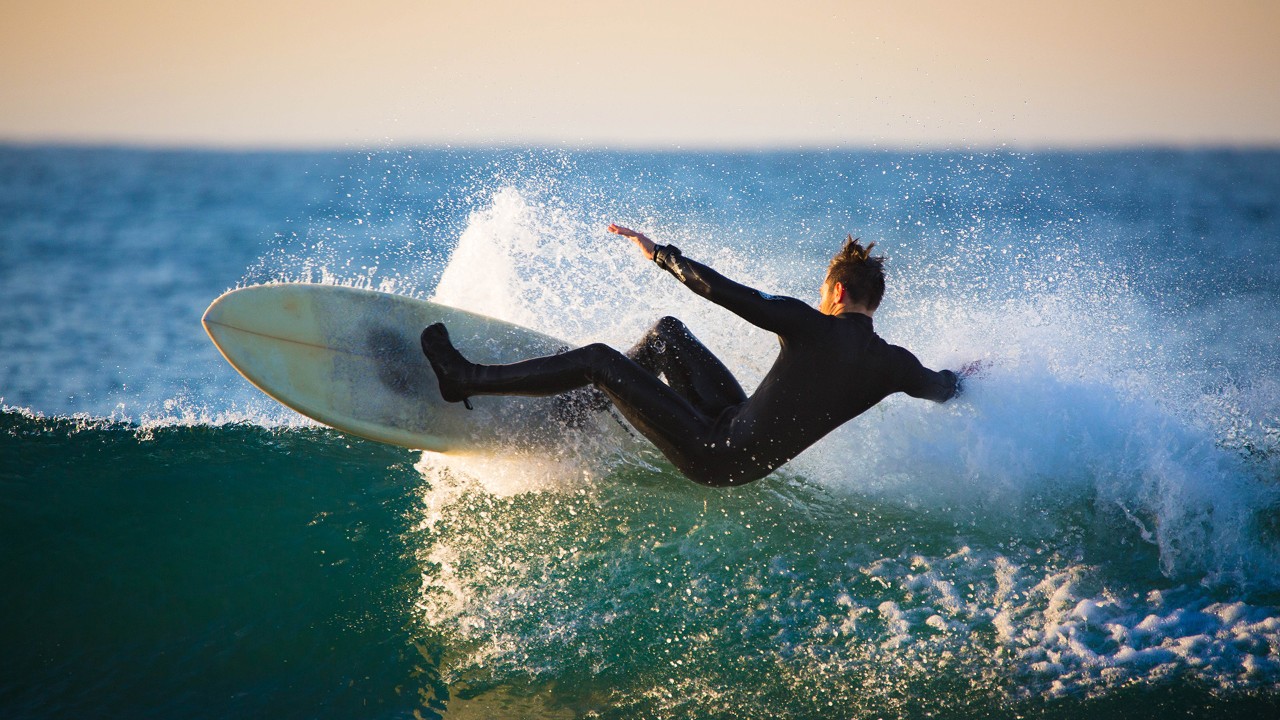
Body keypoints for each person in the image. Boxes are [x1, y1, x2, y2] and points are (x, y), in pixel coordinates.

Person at [421, 224, 972, 487]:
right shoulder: (896, 364)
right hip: (738, 444)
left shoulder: (811, 324)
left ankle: (463, 378)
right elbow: (943, 387)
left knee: (597, 356)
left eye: (825, 292)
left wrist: (659, 253)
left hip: (711, 451)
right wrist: (969, 378)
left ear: (838, 294)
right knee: (668, 335)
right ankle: (585, 410)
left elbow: (721, 290)